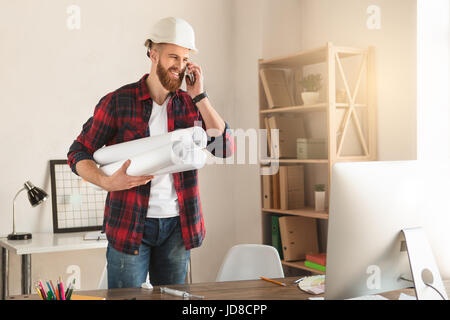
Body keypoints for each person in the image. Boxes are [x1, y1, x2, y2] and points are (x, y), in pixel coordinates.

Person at [67, 17, 234, 288]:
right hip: (130, 224)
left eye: (185, 58)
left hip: (178, 228)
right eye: (173, 57)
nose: (179, 67)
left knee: (171, 297)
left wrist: (200, 96)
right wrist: (107, 181)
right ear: (153, 54)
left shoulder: (191, 105)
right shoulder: (119, 101)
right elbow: (77, 152)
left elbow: (224, 147)